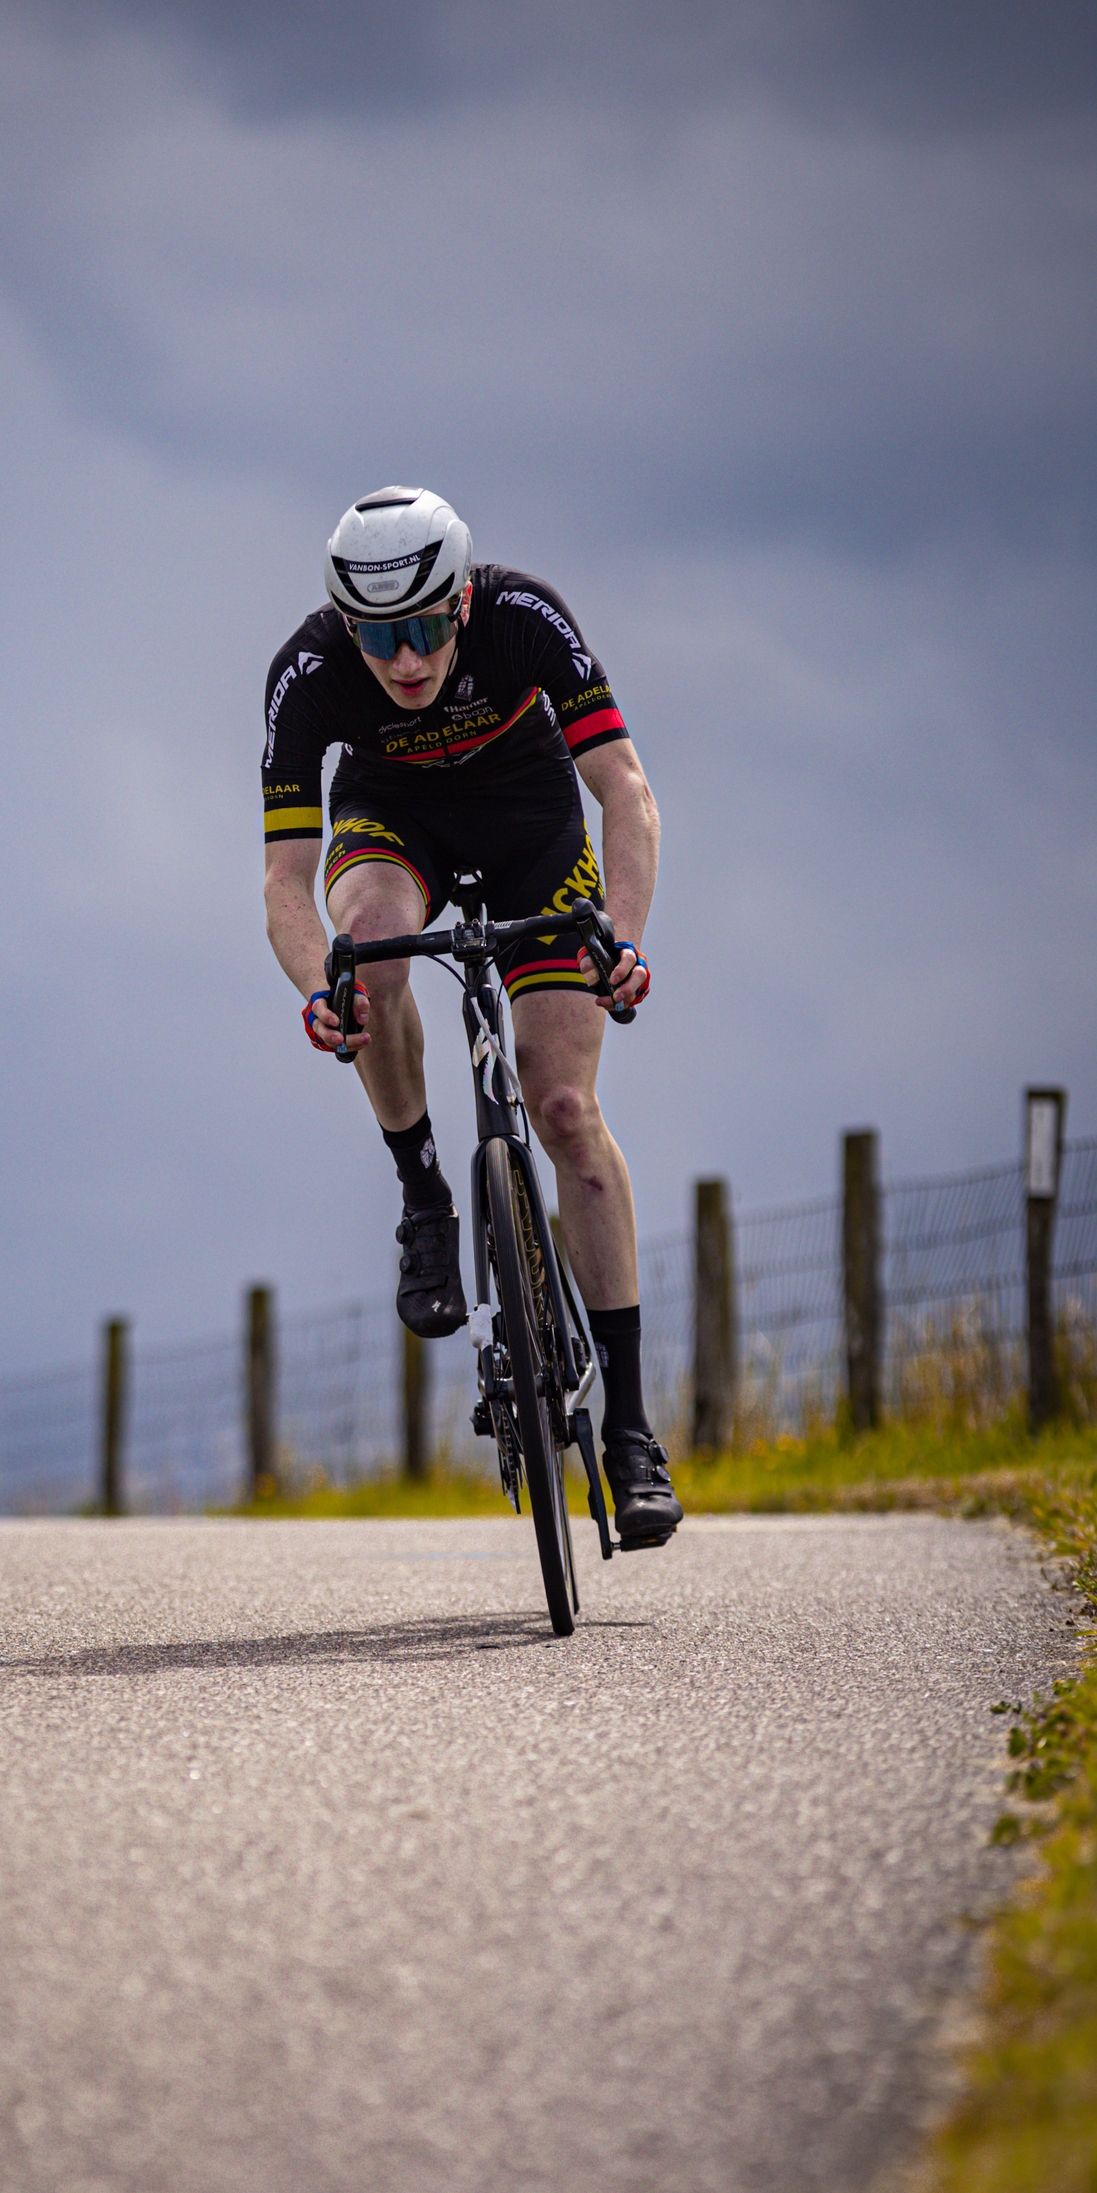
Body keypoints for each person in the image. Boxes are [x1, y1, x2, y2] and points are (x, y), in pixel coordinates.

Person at [261, 485, 682, 1544]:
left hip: (528, 819)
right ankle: (423, 1194)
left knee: (562, 1108)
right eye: (377, 637)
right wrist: (325, 987)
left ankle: (628, 1432)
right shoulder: (306, 673)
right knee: (371, 953)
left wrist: (621, 939)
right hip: (392, 821)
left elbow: (622, 792)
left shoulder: (523, 618)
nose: (402, 662)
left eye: (420, 630)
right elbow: (284, 882)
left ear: (457, 607)